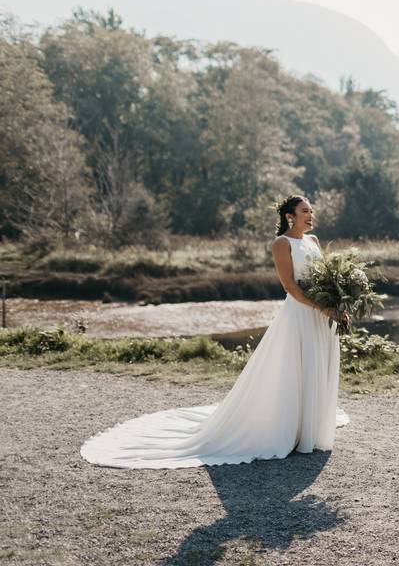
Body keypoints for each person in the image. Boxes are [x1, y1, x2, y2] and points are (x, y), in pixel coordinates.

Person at [81, 195, 349, 469]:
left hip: (321, 315)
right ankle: (290, 429)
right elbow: (291, 288)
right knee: (296, 368)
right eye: (305, 210)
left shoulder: (314, 242)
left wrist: (338, 304)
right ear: (291, 215)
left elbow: (326, 279)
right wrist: (323, 308)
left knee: (318, 365)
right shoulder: (282, 244)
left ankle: (311, 429)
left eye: (311, 211)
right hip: (300, 316)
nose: (310, 214)